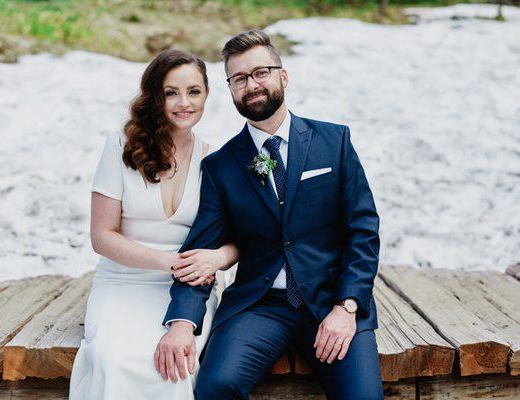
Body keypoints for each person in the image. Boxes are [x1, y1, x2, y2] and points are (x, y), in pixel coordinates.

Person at [156, 30, 384, 399]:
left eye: (261, 72)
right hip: (259, 306)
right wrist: (182, 322)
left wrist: (347, 306)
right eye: (240, 78)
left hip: (332, 300)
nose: (252, 85)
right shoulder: (222, 166)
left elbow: (363, 231)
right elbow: (200, 252)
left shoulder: (334, 141)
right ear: (230, 89)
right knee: (216, 387)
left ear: (283, 75)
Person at [69, 49, 238, 400]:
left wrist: (215, 260)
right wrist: (169, 262)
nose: (183, 103)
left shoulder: (216, 161)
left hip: (186, 292)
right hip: (122, 281)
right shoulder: (120, 146)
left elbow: (236, 240)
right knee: (112, 359)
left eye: (194, 91)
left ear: (207, 94)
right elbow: (102, 237)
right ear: (154, 96)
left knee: (174, 368)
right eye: (170, 92)